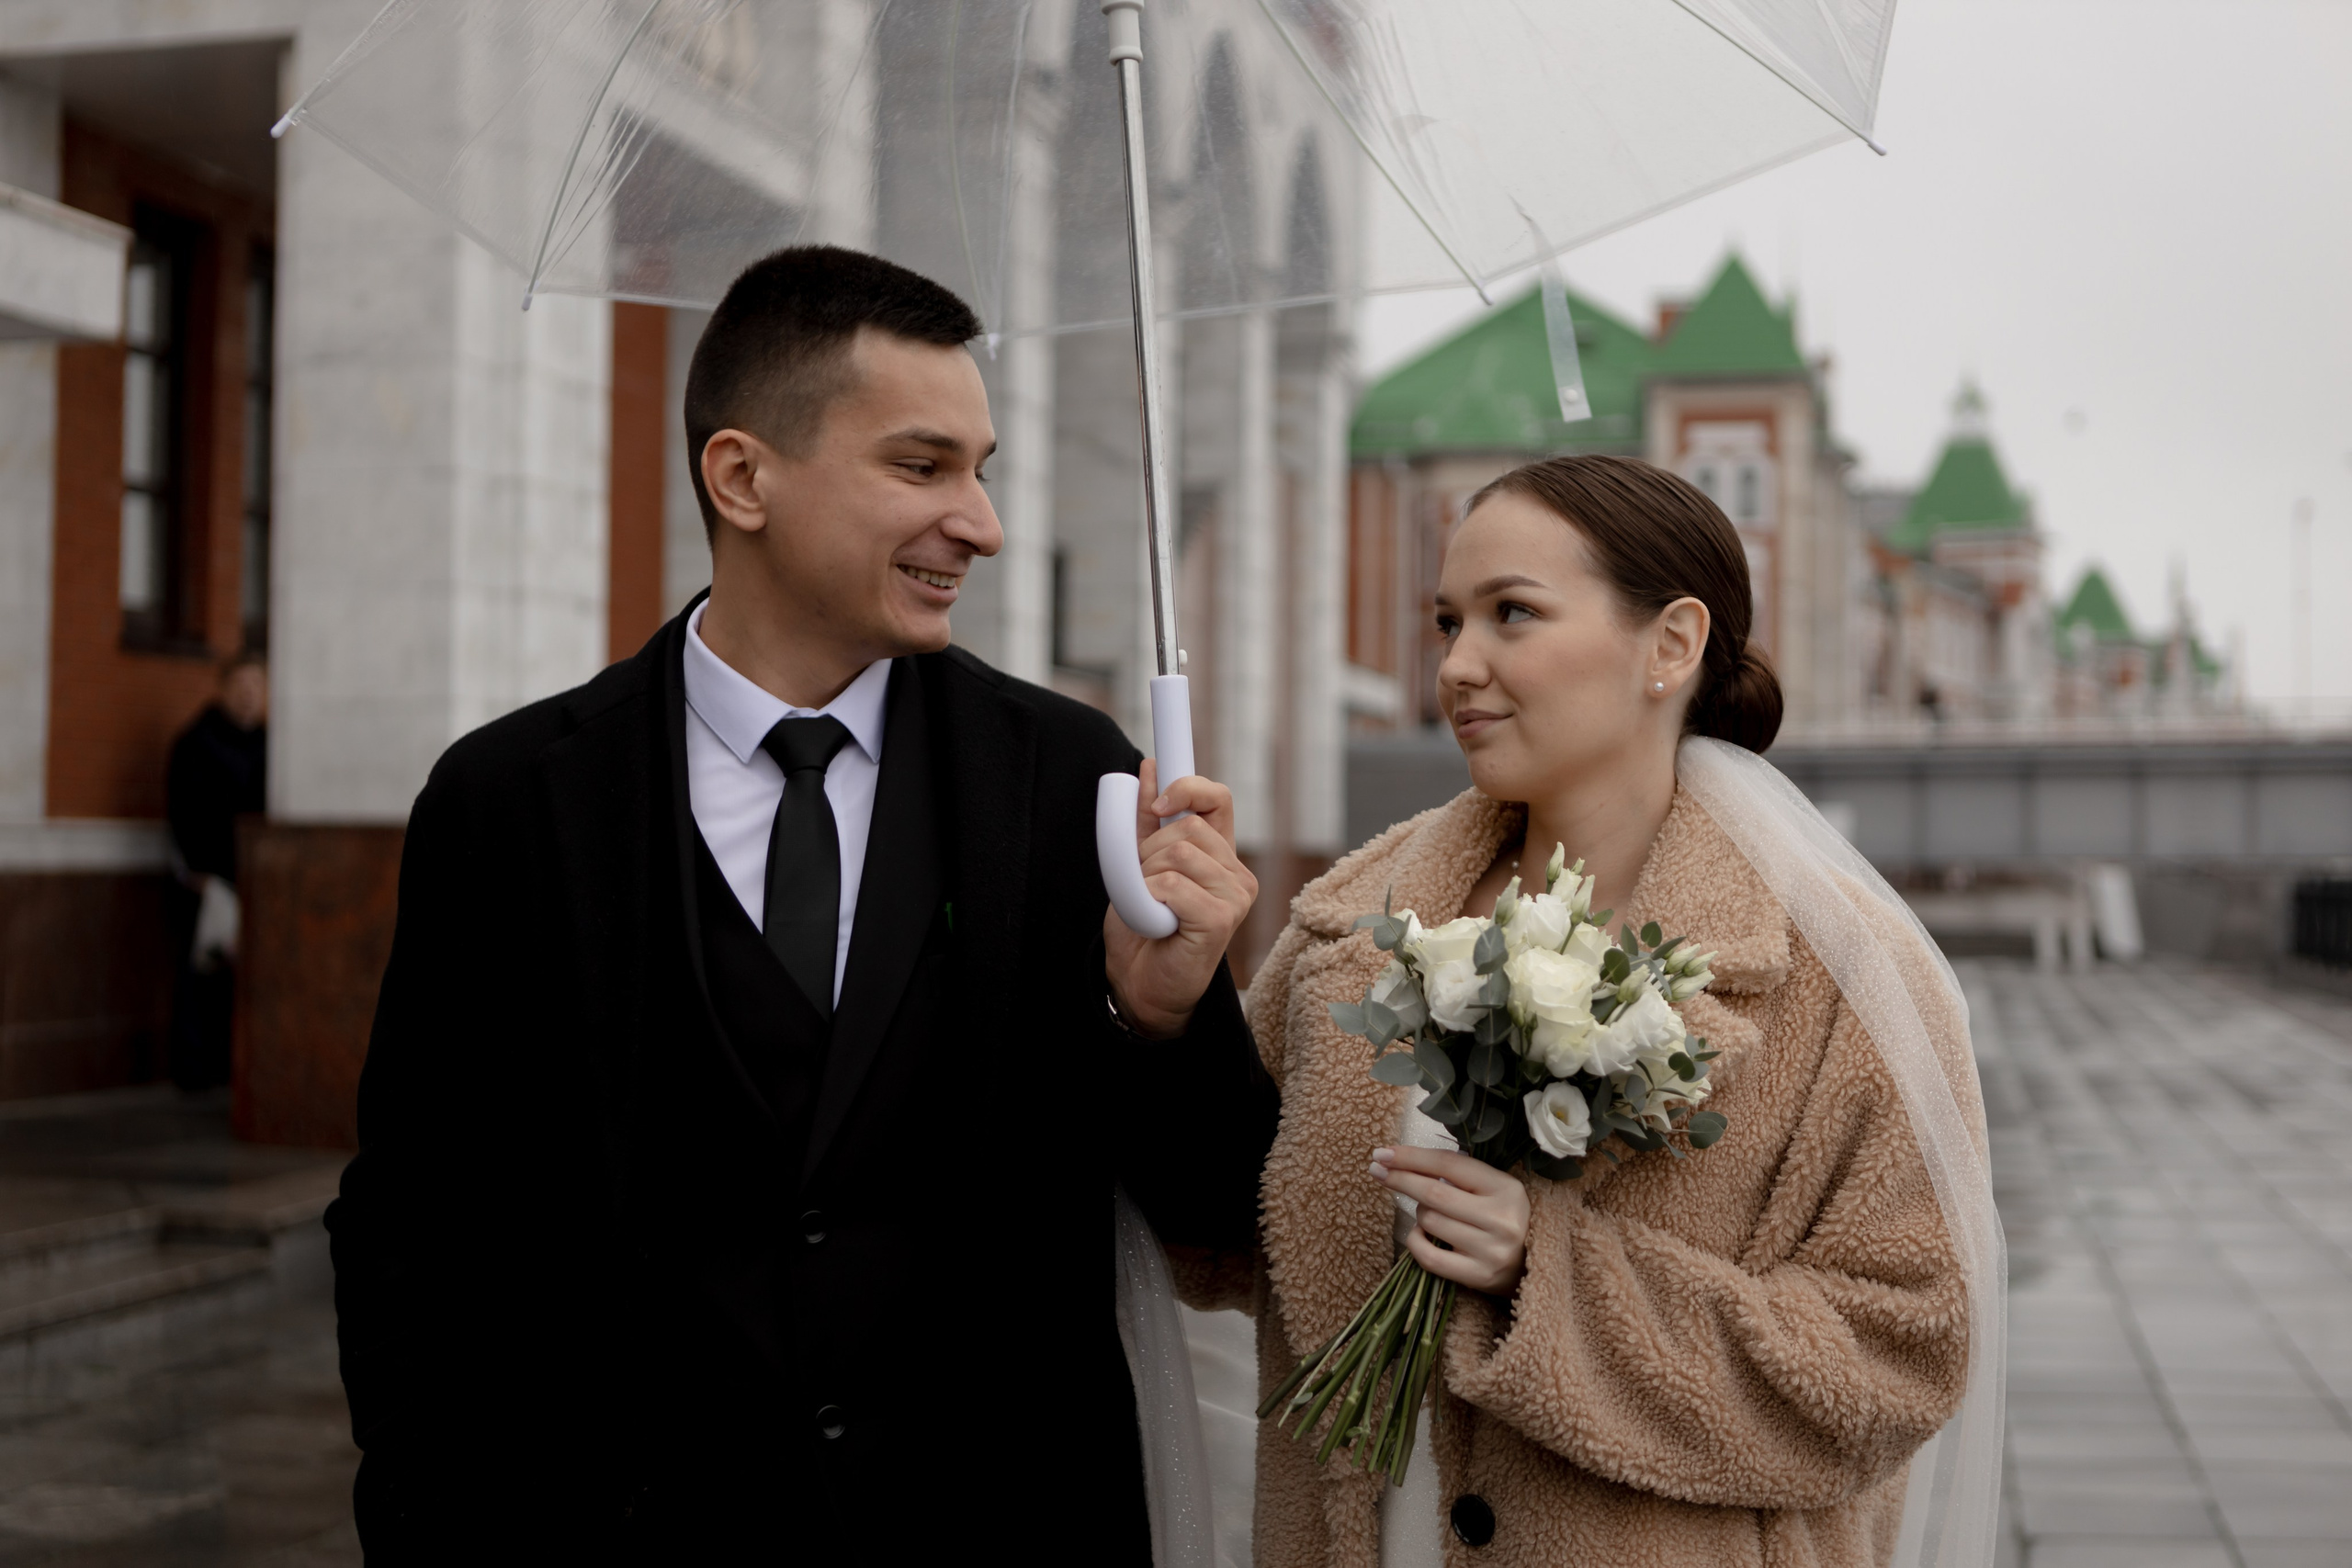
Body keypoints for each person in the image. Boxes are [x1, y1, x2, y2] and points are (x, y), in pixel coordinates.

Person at [327, 246, 1277, 1562]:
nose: (983, 523)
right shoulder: (509, 799)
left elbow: (1222, 1207)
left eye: (982, 469)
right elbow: (413, 1220)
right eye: (922, 464)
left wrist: (1159, 1016)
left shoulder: (1074, 780)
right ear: (742, 475)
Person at [1227, 456, 2001, 1566]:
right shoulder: (1352, 924)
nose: (1458, 665)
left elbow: (1901, 1350)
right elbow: (1220, 1230)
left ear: (1671, 646)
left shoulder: (1845, 973)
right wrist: (1162, 1015)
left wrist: (1548, 1273)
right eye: (1448, 621)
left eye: (1513, 614)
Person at [164, 650, 267, 1092]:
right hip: (207, 881)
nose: (248, 696)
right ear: (223, 688)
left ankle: (232, 1066)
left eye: (257, 687)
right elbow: (184, 813)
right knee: (200, 976)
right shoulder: (195, 743)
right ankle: (194, 1070)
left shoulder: (272, 744)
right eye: (241, 686)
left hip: (255, 880)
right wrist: (202, 872)